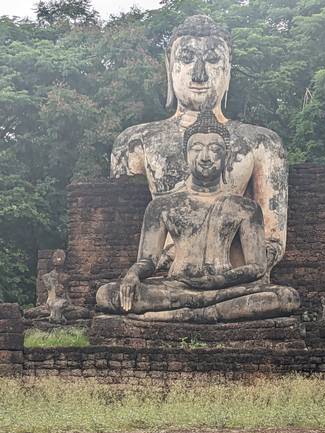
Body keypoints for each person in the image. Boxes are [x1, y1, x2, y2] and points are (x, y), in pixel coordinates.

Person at [111, 15, 288, 270]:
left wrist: (222, 270)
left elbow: (272, 241)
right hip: (164, 276)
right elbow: (121, 237)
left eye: (213, 59)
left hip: (229, 276)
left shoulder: (261, 142)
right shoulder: (136, 142)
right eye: (186, 58)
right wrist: (162, 263)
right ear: (169, 64)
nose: (199, 74)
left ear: (228, 69)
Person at [97, 112, 299, 322]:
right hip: (176, 286)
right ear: (186, 155)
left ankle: (183, 314)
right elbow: (148, 260)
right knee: (107, 294)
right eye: (197, 149)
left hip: (224, 287)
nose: (205, 157)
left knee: (285, 297)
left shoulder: (245, 208)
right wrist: (133, 274)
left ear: (226, 157)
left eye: (215, 150)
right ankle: (206, 313)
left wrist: (217, 281)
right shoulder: (162, 206)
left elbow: (257, 267)